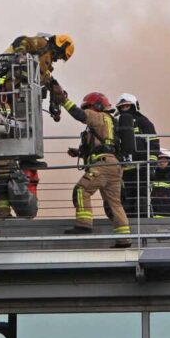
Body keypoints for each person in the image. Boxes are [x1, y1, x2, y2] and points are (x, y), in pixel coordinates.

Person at [58, 90, 131, 248]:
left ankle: (84, 224)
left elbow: (79, 114)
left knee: (81, 190)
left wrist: (63, 100)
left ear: (96, 106)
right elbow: (104, 145)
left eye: (88, 107)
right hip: (114, 166)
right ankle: (124, 238)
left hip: (102, 165)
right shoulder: (111, 121)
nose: (87, 111)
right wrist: (79, 152)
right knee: (114, 203)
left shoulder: (98, 116)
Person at [0, 34, 74, 121]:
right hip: (16, 82)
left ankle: (6, 117)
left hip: (25, 92)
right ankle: (0, 110)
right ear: (62, 46)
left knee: (12, 115)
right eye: (62, 55)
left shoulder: (48, 61)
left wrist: (55, 89)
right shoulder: (43, 43)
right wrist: (21, 54)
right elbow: (25, 42)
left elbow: (45, 77)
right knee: (5, 106)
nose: (60, 58)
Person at [116, 93, 160, 218]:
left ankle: (143, 223)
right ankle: (127, 222)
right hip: (124, 168)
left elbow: (153, 144)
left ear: (134, 106)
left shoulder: (143, 122)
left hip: (141, 167)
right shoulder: (117, 123)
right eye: (122, 107)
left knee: (141, 198)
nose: (124, 108)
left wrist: (151, 164)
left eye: (127, 106)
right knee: (125, 198)